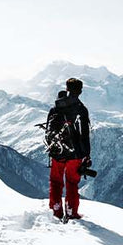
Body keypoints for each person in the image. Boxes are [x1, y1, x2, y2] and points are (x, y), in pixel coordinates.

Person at [43, 77, 91, 220]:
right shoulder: (81, 110)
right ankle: (71, 211)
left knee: (56, 181)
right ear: (80, 91)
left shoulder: (55, 108)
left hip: (57, 151)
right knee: (72, 182)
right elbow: (84, 134)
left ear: (67, 89)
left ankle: (56, 209)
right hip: (75, 153)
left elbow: (48, 131)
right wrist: (86, 154)